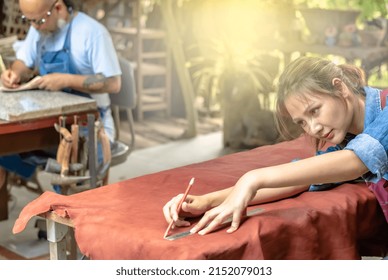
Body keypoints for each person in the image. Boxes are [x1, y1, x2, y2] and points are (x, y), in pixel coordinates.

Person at [163, 56, 388, 235]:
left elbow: (356, 161)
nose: (313, 129)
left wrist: (252, 177)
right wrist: (205, 201)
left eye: (315, 111)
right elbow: (301, 178)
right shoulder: (347, 140)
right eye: (302, 122)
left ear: (340, 88)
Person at [0, 0, 121, 192]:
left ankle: (65, 204)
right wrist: (14, 72)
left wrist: (66, 80)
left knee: (74, 170)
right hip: (49, 123)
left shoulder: (92, 32)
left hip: (90, 127)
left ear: (58, 8)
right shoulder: (38, 28)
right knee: (5, 147)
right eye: (28, 20)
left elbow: (114, 83)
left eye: (38, 21)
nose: (34, 26)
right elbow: (23, 61)